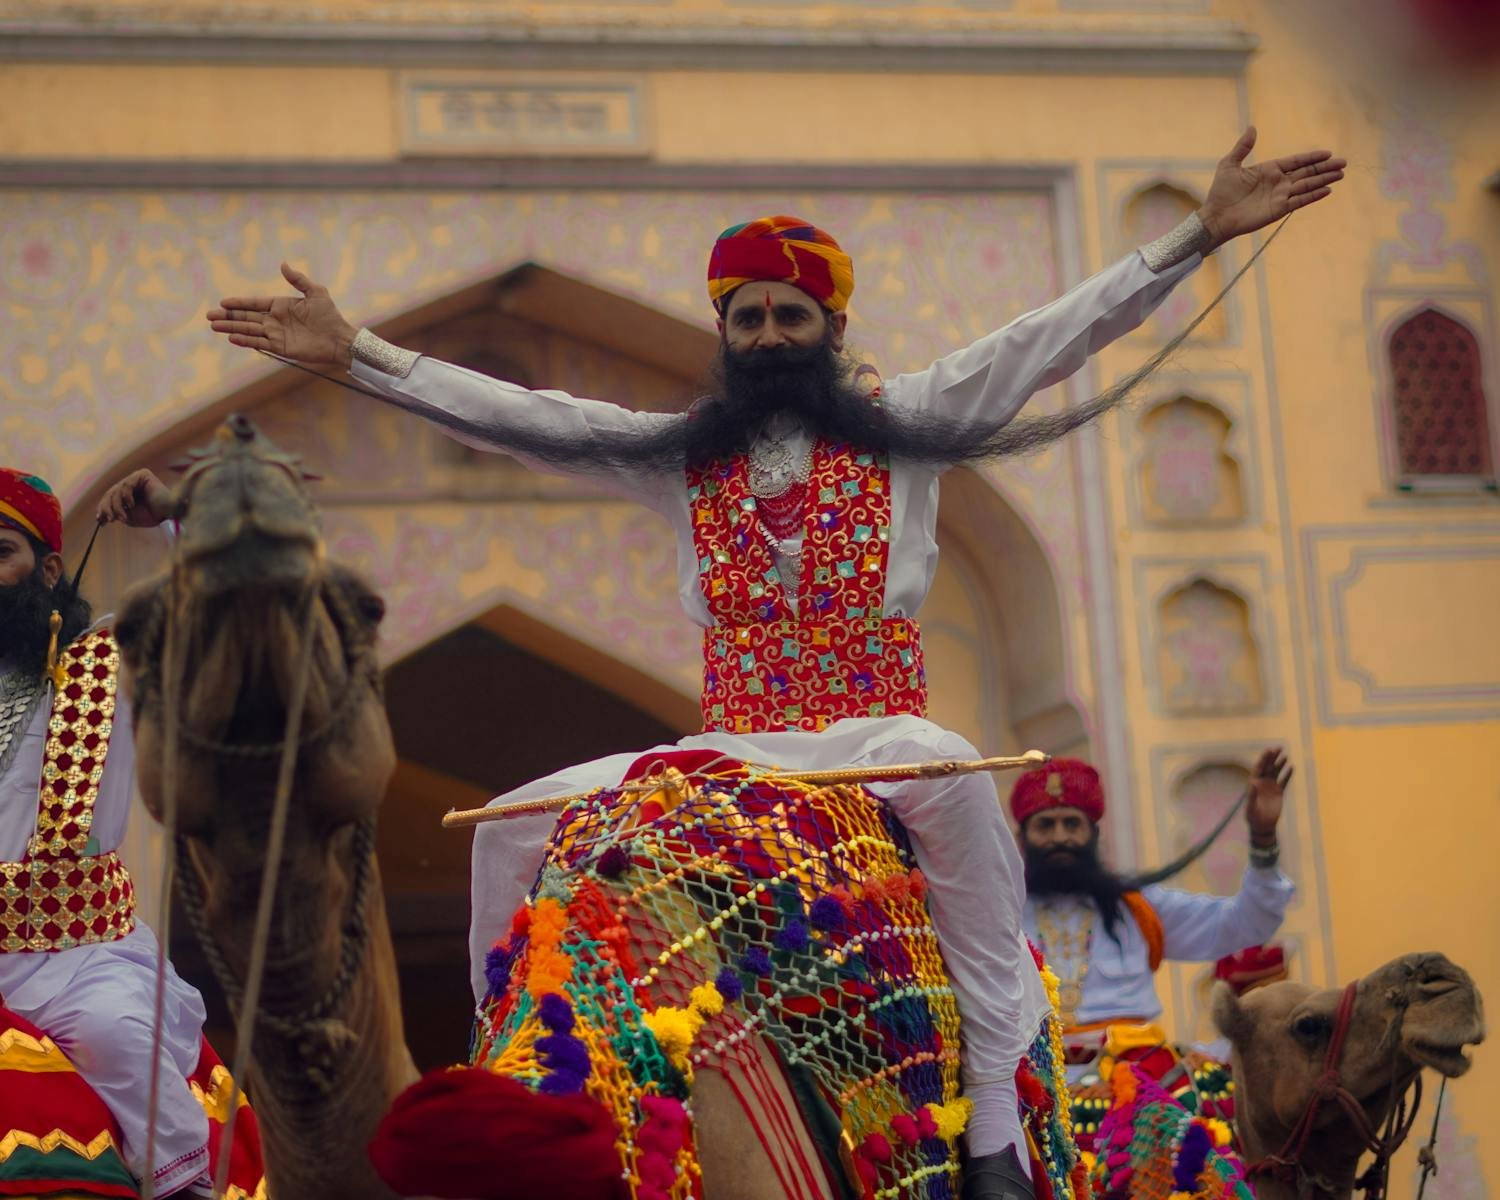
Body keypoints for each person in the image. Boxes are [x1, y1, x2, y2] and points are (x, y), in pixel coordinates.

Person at [205, 128, 1343, 1197]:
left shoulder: (917, 418)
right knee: (510, 818)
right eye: (744, 319)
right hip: (729, 749)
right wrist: (358, 355)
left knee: (951, 774)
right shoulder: (680, 458)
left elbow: (1052, 337)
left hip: (876, 734)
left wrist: (1193, 237)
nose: (764, 337)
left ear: (830, 329)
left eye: (786, 317)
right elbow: (527, 416)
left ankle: (998, 1106)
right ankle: (508, 1065)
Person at [0, 467, 216, 1197]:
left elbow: (211, 613)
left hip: (74, 958)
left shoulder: (105, 664)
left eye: (0, 552)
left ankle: (183, 1187)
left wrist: (174, 517)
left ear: (48, 570)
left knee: (121, 1037)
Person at [1011, 751, 1294, 1074]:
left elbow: (1247, 923)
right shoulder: (998, 915)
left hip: (1135, 1080)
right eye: (1045, 825)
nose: (1060, 837)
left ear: (1094, 834)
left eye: (1072, 824)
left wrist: (1262, 840)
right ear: (1021, 838)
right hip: (1028, 1083)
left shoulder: (1139, 908)